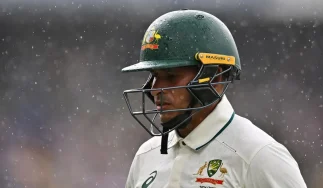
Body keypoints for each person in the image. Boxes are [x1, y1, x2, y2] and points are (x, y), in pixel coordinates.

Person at [121, 9, 307, 188]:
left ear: (214, 78)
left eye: (171, 76)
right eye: (154, 76)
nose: (155, 89)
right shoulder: (146, 155)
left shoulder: (259, 156)